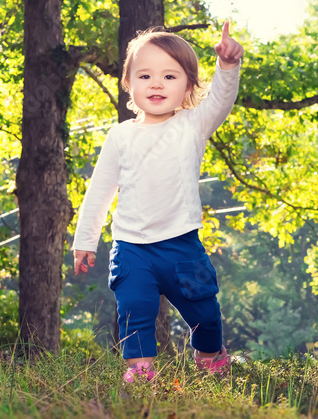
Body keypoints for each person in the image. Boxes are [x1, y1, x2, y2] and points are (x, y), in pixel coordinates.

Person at [72, 22, 244, 383]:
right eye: (145, 75)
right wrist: (85, 241)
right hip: (132, 247)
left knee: (204, 311)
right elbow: (100, 191)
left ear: (187, 87)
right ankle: (140, 370)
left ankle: (210, 355)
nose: (156, 84)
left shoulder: (193, 126)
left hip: (181, 244)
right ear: (129, 84)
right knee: (135, 308)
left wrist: (227, 67)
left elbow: (221, 100)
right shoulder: (121, 136)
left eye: (169, 76)